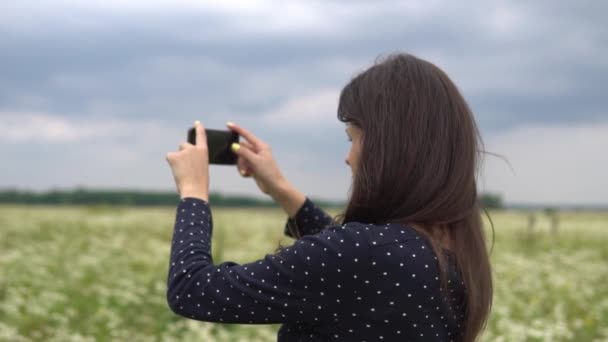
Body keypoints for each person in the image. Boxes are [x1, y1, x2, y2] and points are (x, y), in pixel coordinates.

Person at [165, 53, 493, 342]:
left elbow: (193, 290)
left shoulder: (362, 254)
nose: (348, 157)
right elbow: (353, 261)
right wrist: (280, 188)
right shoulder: (447, 245)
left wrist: (194, 193)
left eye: (353, 138)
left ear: (388, 147)